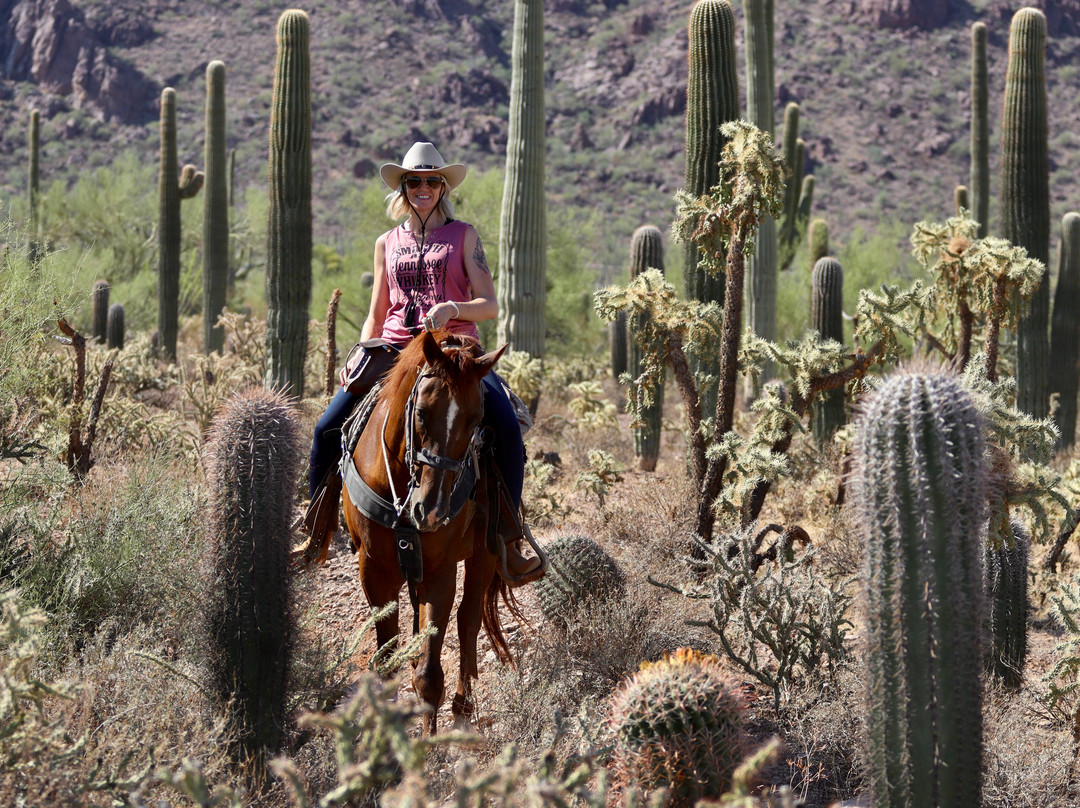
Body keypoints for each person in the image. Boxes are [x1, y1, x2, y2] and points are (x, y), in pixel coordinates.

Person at [304, 141, 543, 586]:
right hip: (395, 348)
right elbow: (377, 311)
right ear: (404, 186)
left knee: (506, 427)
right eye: (414, 181)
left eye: (432, 181)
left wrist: (453, 309)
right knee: (326, 426)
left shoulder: (464, 235)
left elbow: (489, 305)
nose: (423, 188)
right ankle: (317, 527)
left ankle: (509, 540)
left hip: (453, 352)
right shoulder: (386, 243)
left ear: (442, 186)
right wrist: (361, 350)